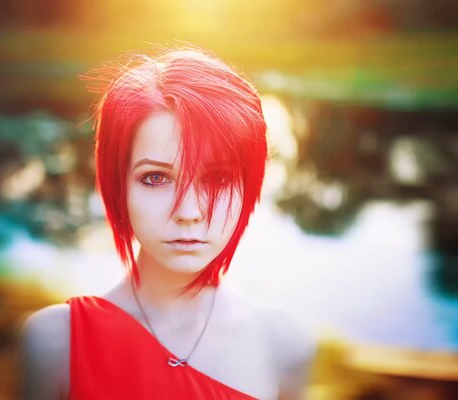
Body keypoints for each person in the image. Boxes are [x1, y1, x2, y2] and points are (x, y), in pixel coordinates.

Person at [20, 46, 316, 400]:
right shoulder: (55, 341)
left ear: (248, 186)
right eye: (156, 178)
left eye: (218, 179)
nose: (188, 211)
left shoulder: (284, 344)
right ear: (117, 184)